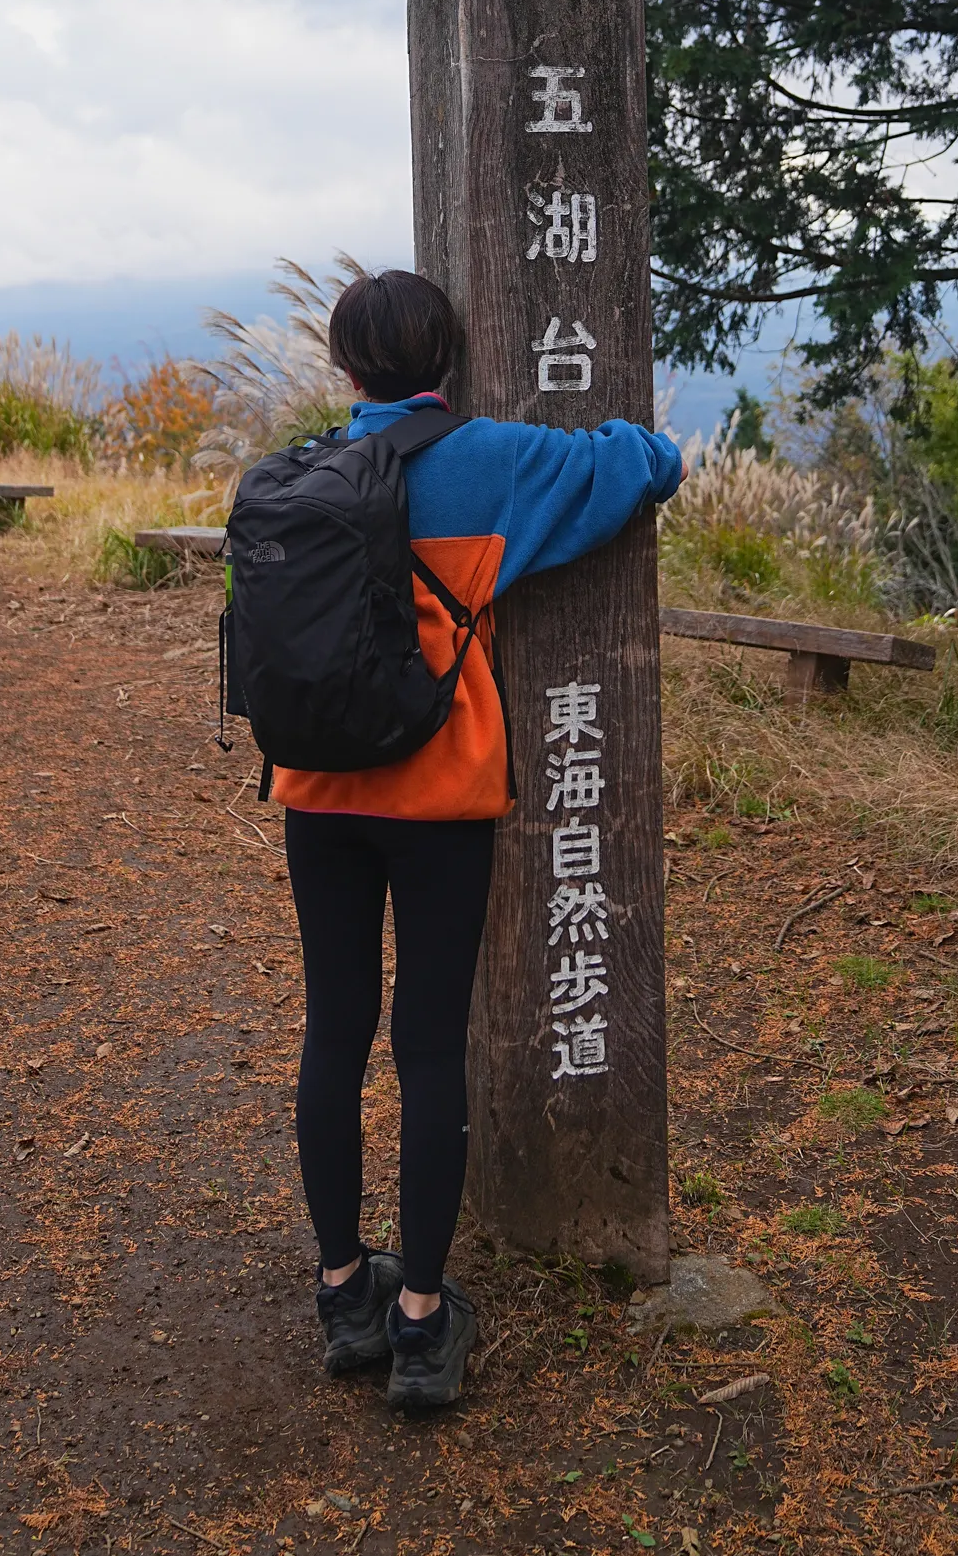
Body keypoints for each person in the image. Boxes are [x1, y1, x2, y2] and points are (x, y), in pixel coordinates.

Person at [273, 267, 684, 1412]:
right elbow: (642, 466)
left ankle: (345, 1292)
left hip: (317, 794)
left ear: (346, 370)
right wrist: (642, 446)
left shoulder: (304, 467)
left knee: (334, 1033)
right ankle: (421, 1323)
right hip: (439, 803)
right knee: (431, 1049)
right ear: (448, 361)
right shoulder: (492, 462)